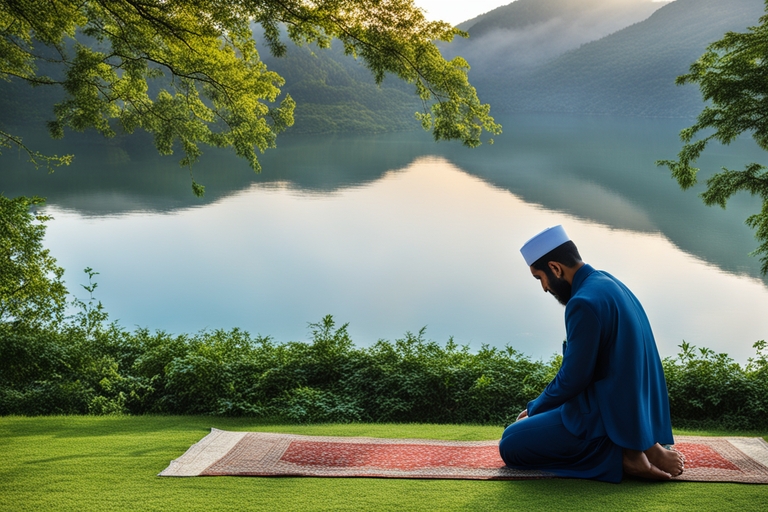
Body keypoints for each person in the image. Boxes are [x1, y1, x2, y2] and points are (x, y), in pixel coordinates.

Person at [498, 225, 684, 482]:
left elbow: (574, 376)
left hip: (601, 415)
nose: (543, 288)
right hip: (626, 408)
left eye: (539, 277)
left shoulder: (582, 303)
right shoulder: (608, 282)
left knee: (511, 443)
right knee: (518, 431)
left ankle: (621, 455)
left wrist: (535, 407)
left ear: (555, 268)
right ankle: (643, 444)